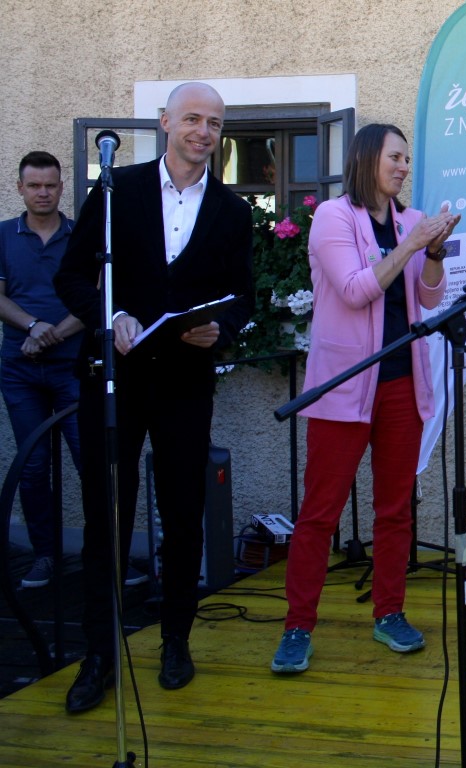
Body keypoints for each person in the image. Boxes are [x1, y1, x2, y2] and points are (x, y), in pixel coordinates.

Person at [54, 82, 255, 713]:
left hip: (185, 384)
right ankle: (98, 655)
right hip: (115, 381)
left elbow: (244, 296)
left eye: (215, 123)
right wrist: (107, 316)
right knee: (106, 520)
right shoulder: (117, 190)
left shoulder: (232, 209)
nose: (204, 131)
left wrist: (221, 329)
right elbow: (69, 276)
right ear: (165, 122)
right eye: (193, 118)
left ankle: (175, 640)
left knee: (182, 513)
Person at [269, 123, 458, 674]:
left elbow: (427, 295)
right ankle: (298, 625)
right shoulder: (333, 216)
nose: (403, 167)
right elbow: (355, 290)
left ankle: (389, 613)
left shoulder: (411, 222)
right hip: (345, 385)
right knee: (320, 513)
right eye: (394, 157)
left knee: (395, 509)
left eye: (406, 159)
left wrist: (436, 253)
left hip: (401, 382)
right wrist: (411, 246)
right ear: (368, 158)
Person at [0, 151, 83, 588]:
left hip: (73, 365)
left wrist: (52, 334)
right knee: (32, 467)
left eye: (50, 185)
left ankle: (106, 557)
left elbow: (96, 298)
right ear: (20, 188)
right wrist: (33, 326)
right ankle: (46, 556)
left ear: (61, 187)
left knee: (92, 462)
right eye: (34, 186)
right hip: (21, 369)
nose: (43, 192)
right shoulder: (3, 236)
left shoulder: (80, 235)